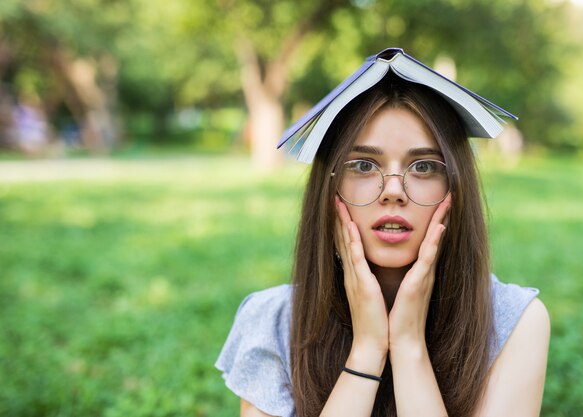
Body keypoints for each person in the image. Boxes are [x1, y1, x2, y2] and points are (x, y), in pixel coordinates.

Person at [216, 55, 550, 417]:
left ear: (458, 189)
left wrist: (408, 347)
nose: (393, 190)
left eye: (423, 167)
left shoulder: (515, 322)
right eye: (363, 165)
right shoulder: (272, 321)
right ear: (329, 191)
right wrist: (367, 350)